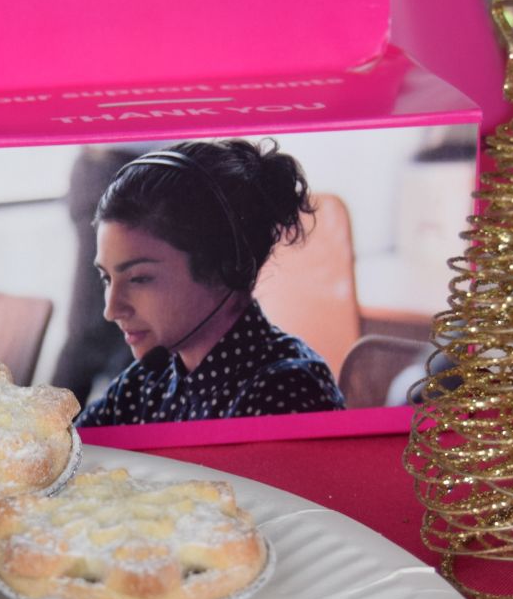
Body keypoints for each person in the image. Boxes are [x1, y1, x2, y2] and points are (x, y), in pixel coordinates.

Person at [76, 139, 344, 424]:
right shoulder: (145, 384)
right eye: (107, 278)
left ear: (226, 267)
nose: (111, 309)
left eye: (139, 278)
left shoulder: (286, 394)